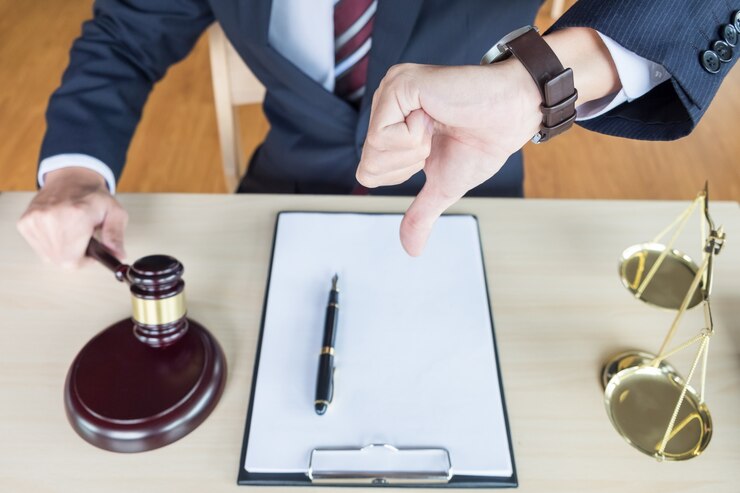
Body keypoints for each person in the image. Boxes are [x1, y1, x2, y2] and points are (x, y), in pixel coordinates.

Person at [17, 0, 740, 264]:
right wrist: (75, 171)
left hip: (477, 203)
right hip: (278, 196)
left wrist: (532, 88)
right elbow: (122, 34)